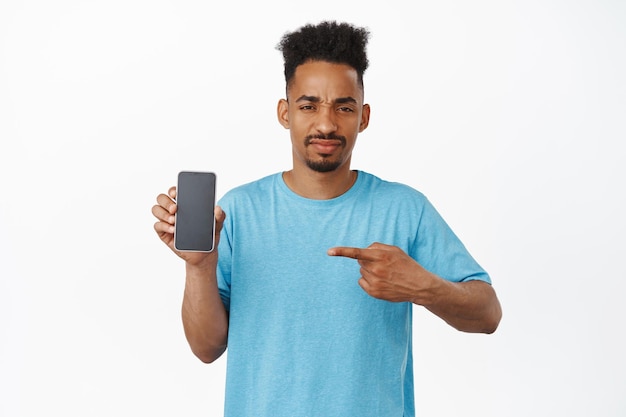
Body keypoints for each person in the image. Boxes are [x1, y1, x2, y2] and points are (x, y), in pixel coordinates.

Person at [152, 20, 502, 417]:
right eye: (309, 105)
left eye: (344, 107)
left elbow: (488, 314)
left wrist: (423, 287)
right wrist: (200, 266)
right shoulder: (238, 211)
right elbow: (206, 348)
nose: (326, 123)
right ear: (285, 113)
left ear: (364, 117)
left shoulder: (405, 208)